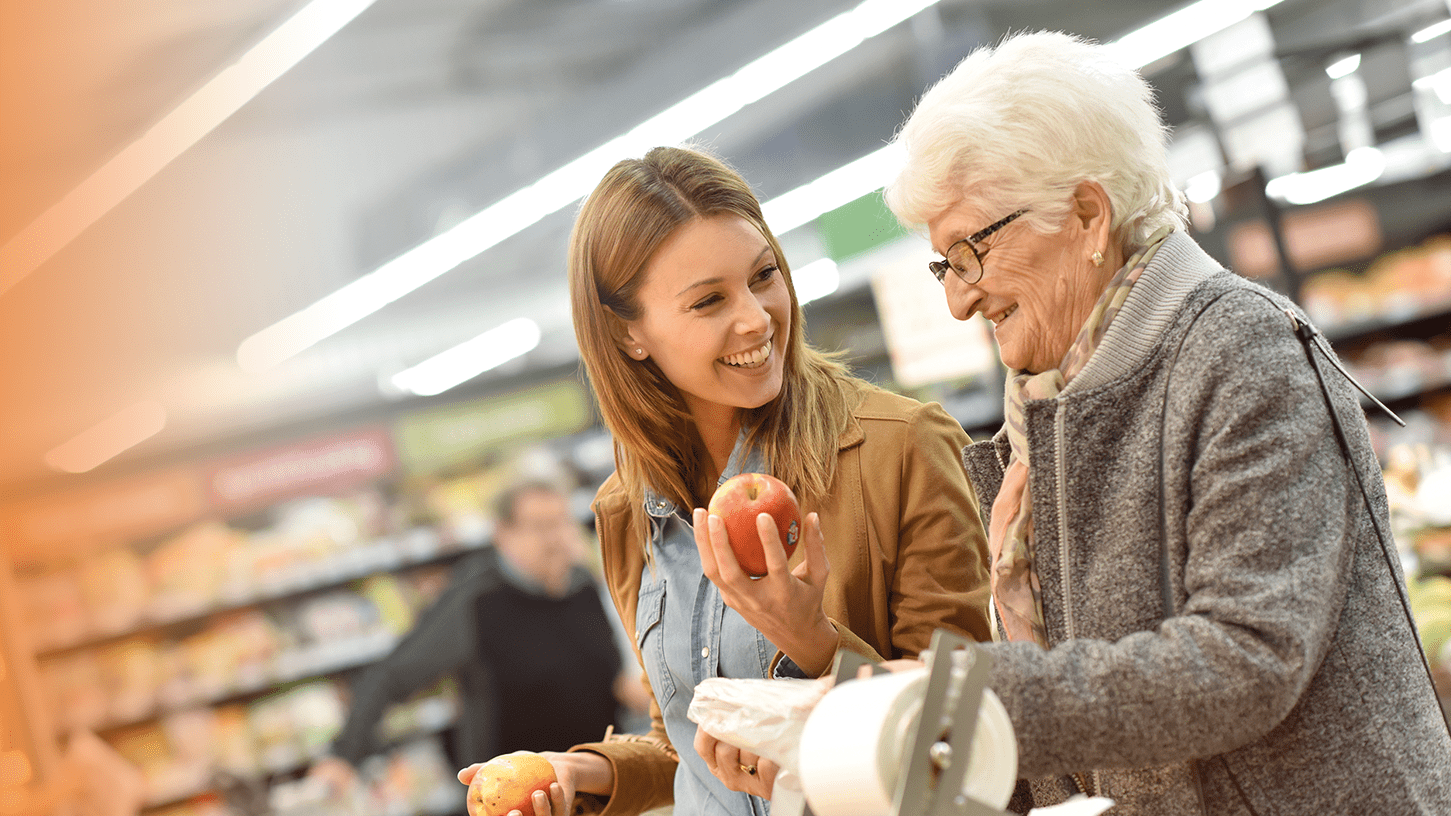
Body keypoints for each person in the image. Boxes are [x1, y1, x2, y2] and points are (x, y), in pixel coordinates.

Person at [874, 30, 1451, 815]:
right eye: (941, 264)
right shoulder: (1041, 410)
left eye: (969, 252)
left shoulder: (1239, 348)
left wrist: (975, 699)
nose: (958, 298)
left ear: (1084, 212)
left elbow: (1247, 656)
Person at [459, 145, 993, 816]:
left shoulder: (900, 448)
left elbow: (963, 730)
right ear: (629, 334)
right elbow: (686, 741)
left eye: (763, 274)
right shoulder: (628, 509)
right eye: (708, 300)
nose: (756, 317)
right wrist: (579, 770)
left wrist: (814, 643)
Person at [310, 479, 636, 793]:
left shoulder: (584, 585)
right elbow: (392, 675)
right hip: (512, 794)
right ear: (503, 535)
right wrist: (343, 755)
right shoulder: (477, 600)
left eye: (561, 523)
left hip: (597, 783)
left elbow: (611, 674)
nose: (557, 538)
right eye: (540, 526)